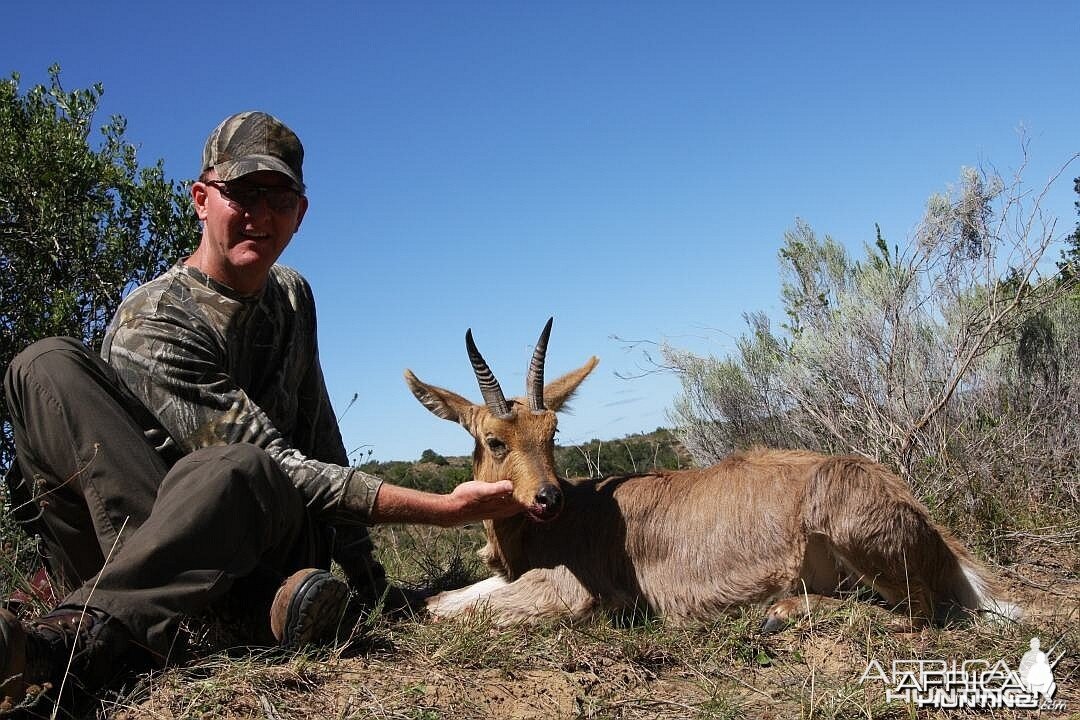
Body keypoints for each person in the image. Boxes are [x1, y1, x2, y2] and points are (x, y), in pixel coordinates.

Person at [0, 111, 526, 703]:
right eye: (242, 192)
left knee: (234, 467)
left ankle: (116, 633)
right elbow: (265, 458)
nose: (260, 214)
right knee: (43, 364)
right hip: (154, 525)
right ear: (202, 199)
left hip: (267, 530)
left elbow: (320, 439)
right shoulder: (154, 322)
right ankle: (101, 635)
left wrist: (372, 585)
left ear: (301, 215)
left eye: (280, 198)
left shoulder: (293, 297)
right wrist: (439, 508)